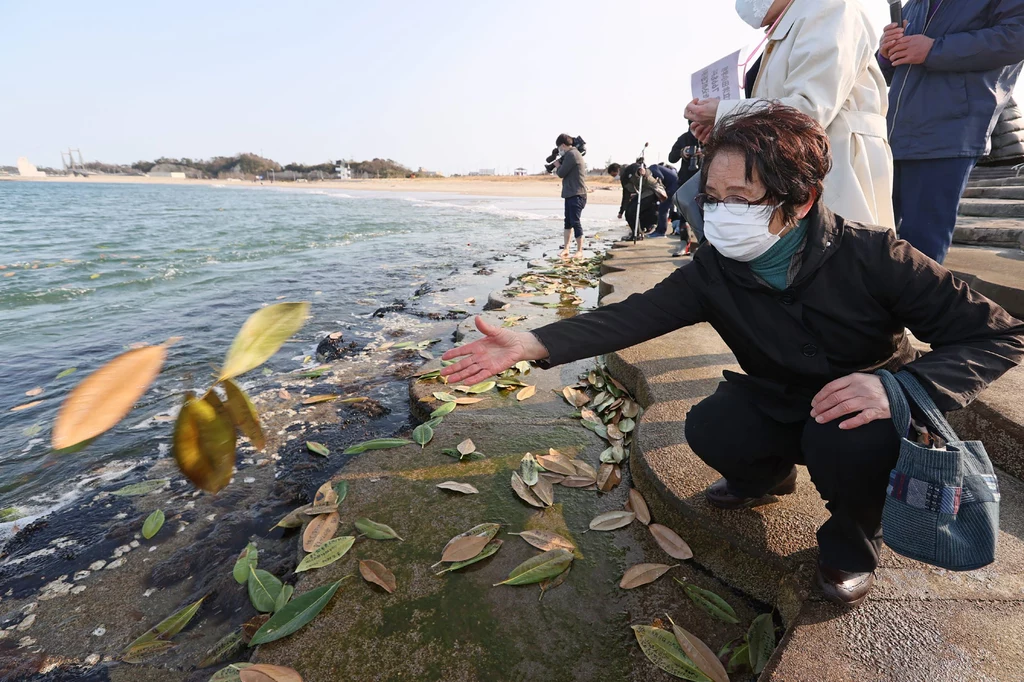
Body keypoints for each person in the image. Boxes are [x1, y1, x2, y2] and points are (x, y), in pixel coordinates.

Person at [442, 104, 1024, 608]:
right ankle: (765, 478)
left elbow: (998, 334)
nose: (720, 214)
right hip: (779, 397)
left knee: (853, 441)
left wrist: (898, 389)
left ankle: (854, 546)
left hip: (865, 407)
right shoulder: (715, 269)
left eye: (741, 198)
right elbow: (634, 314)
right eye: (713, 198)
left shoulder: (876, 256)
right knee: (711, 426)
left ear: (801, 199)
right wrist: (534, 342)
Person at [686, 0, 895, 229]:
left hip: (837, 171)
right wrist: (726, 126)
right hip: (800, 173)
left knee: (840, 255)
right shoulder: (797, 18)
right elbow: (778, 106)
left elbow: (809, 109)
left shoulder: (829, 8)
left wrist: (724, 112)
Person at [879, 1, 1024, 264]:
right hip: (894, 134)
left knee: (920, 250)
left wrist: (935, 49)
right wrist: (886, 52)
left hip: (947, 132)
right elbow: (891, 71)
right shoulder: (916, 4)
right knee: (873, 233)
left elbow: (1016, 37)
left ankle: (916, 305)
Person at [552, 133, 589, 260]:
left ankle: (580, 250)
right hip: (571, 193)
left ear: (563, 145)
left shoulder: (572, 154)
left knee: (575, 221)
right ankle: (566, 248)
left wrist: (557, 166)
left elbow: (561, 173)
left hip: (577, 194)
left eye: (559, 148)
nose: (559, 151)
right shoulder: (571, 154)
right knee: (568, 222)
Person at [669, 128, 704, 256]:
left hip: (705, 180)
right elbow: (671, 157)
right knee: (684, 215)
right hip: (685, 180)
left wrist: (704, 153)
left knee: (706, 215)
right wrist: (681, 152)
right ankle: (685, 244)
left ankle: (706, 247)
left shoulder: (711, 134)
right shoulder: (684, 138)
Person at [607, 162, 661, 238]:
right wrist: (621, 211)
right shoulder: (624, 179)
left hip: (651, 191)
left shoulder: (629, 169)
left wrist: (640, 170)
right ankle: (636, 232)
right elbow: (626, 195)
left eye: (614, 175)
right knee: (628, 212)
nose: (614, 177)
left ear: (618, 170)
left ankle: (637, 234)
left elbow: (639, 168)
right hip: (642, 193)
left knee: (632, 211)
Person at [648, 163, 680, 238]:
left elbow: (660, 177)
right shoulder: (657, 167)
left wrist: (659, 188)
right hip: (673, 186)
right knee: (663, 209)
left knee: (663, 210)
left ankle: (661, 232)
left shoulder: (653, 168)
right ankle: (659, 230)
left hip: (672, 188)